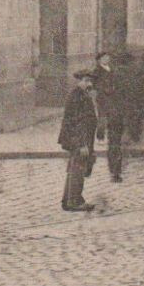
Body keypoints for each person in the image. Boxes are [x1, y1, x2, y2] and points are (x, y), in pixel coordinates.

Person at [58, 67, 102, 211]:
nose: (89, 84)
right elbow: (77, 123)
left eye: (90, 81)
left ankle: (68, 200)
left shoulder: (83, 94)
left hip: (81, 138)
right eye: (86, 81)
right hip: (78, 138)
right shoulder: (77, 96)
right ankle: (75, 201)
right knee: (78, 168)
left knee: (74, 168)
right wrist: (82, 144)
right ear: (79, 81)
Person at [94, 50, 132, 182]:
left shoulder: (115, 72)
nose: (106, 59)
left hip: (118, 111)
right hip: (109, 108)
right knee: (115, 142)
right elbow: (99, 89)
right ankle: (115, 171)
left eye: (107, 57)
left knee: (117, 142)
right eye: (103, 57)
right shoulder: (99, 72)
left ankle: (116, 171)